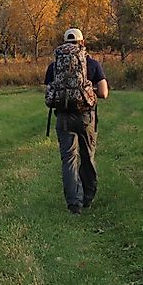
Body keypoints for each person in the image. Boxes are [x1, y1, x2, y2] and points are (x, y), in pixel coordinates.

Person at [44, 28, 108, 215]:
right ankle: (87, 197)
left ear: (64, 44)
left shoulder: (54, 66)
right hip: (86, 116)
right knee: (87, 156)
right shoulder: (92, 64)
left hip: (63, 117)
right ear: (83, 42)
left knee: (69, 160)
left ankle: (74, 204)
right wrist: (88, 92)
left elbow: (49, 93)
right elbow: (103, 93)